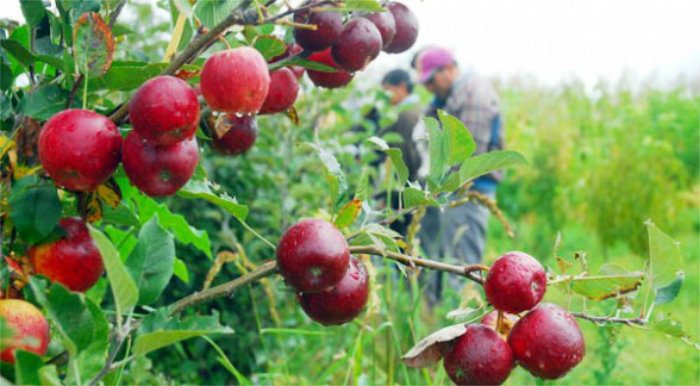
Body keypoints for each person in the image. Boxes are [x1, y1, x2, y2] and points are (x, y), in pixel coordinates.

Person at [414, 47, 504, 303]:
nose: (429, 87)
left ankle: (465, 326)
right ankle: (441, 320)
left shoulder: (475, 95)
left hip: (470, 189)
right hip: (450, 189)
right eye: (426, 82)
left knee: (463, 265)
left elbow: (467, 156)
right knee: (445, 258)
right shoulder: (449, 95)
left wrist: (440, 186)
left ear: (450, 68)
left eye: (432, 80)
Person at [376, 69, 424, 236]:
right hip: (405, 191)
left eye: (387, 89)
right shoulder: (410, 110)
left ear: (401, 87)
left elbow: (403, 159)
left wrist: (392, 199)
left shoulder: (406, 114)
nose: (385, 96)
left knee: (400, 241)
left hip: (401, 194)